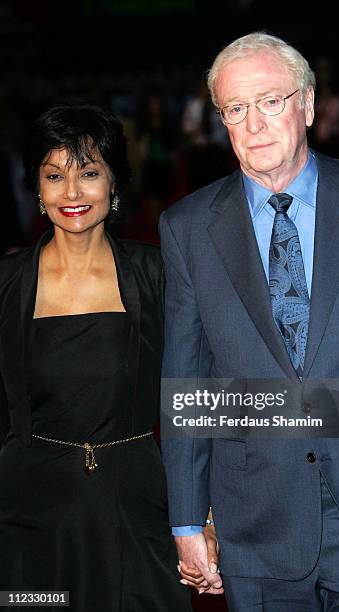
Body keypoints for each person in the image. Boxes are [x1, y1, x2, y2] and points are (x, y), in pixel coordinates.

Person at [159, 32, 339, 611]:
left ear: (309, 105)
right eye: (236, 109)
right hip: (256, 529)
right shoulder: (187, 228)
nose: (253, 125)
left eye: (270, 101)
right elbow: (188, 385)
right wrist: (186, 521)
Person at [0, 103, 192, 612]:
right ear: (37, 189)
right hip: (31, 516)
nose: (72, 192)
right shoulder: (6, 283)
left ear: (114, 183)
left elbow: (194, 391)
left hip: (138, 503)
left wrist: (204, 515)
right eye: (54, 175)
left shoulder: (158, 274)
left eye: (88, 173)